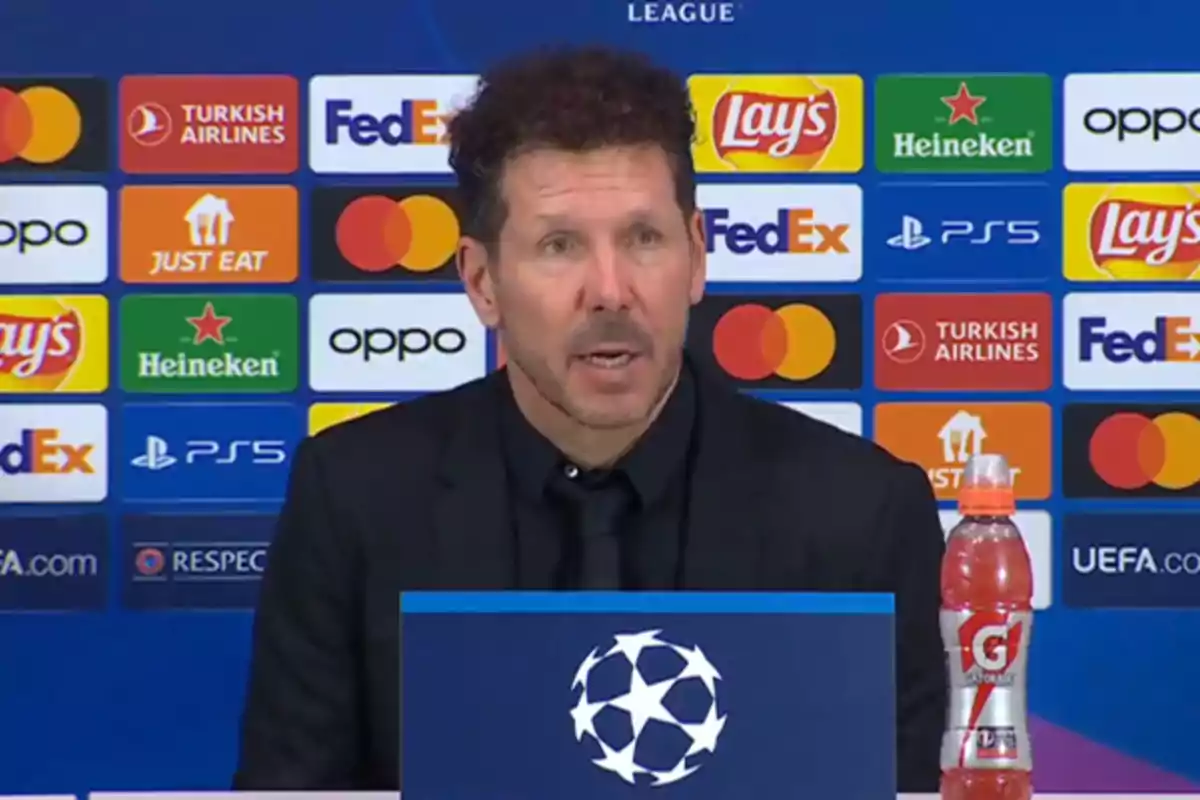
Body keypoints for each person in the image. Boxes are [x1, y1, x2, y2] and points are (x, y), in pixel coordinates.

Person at [233, 45, 947, 792]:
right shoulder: (354, 497)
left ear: (697, 256)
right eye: (559, 245)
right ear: (481, 282)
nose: (610, 292)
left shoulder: (863, 511)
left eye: (643, 239)